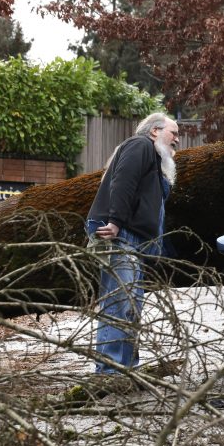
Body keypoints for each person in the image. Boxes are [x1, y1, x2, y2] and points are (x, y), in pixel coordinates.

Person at [85, 112, 179, 373]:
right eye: (174, 133)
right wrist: (115, 221)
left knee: (131, 307)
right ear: (154, 132)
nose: (177, 140)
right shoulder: (140, 146)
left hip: (134, 240)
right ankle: (109, 372)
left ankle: (126, 370)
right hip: (119, 233)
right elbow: (122, 181)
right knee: (119, 304)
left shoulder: (154, 161)